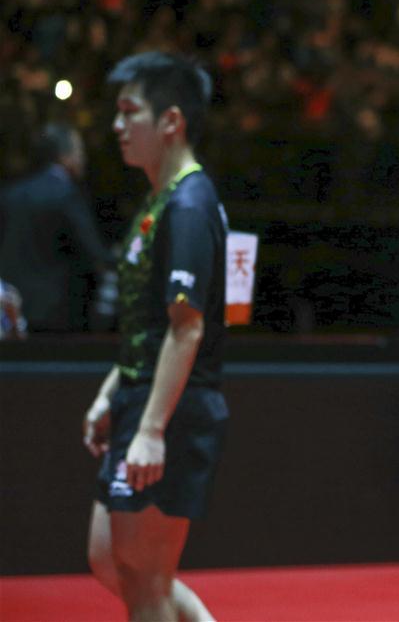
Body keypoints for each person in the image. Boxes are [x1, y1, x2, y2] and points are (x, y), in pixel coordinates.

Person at [83, 52, 228, 622]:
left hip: (171, 409)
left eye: (129, 112)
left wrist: (149, 429)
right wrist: (108, 393)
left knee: (146, 584)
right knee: (109, 559)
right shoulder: (160, 198)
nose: (117, 127)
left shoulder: (189, 205)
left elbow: (187, 328)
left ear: (171, 121)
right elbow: (150, 325)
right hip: (140, 396)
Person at [0, 123, 112, 333]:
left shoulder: (11, 194)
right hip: (55, 312)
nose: (83, 158)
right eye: (79, 151)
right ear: (64, 156)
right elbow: (91, 251)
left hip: (10, 306)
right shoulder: (66, 193)